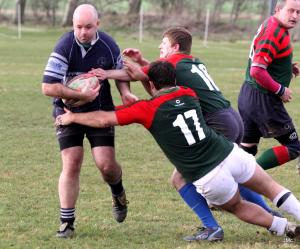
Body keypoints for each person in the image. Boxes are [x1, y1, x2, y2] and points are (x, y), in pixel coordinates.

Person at [55, 61, 300, 241]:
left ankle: (283, 227)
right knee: (272, 187)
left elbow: (103, 119)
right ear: (175, 80)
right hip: (230, 153)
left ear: (150, 83)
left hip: (207, 174)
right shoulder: (189, 93)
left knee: (237, 206)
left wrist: (72, 118)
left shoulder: (146, 110)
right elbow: (160, 94)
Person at [90, 27, 280, 241]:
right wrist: (143, 60)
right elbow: (159, 81)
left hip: (218, 122)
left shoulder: (174, 62)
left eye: (164, 43)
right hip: (230, 117)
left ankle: (213, 227)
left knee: (180, 178)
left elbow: (137, 75)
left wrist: (104, 74)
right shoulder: (192, 61)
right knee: (234, 172)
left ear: (175, 47)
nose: (160, 46)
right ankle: (271, 216)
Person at [41, 4, 138, 238]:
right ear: (72, 25)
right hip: (67, 111)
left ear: (98, 25)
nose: (83, 32)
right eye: (78, 27)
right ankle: (67, 222)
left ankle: (118, 191)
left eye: (88, 27)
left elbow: (122, 72)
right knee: (71, 162)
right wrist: (80, 95)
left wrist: (124, 92)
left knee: (106, 166)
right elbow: (48, 87)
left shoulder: (108, 44)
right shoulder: (65, 46)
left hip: (100, 110)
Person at [238, 0, 300, 170]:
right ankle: (248, 177)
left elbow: (266, 58)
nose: (295, 16)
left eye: (298, 12)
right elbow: (257, 70)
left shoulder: (273, 24)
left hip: (249, 94)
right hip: (263, 99)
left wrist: (286, 67)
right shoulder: (275, 32)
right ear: (278, 9)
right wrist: (280, 90)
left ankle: (232, 178)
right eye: (291, 11)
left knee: (248, 147)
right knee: (294, 147)